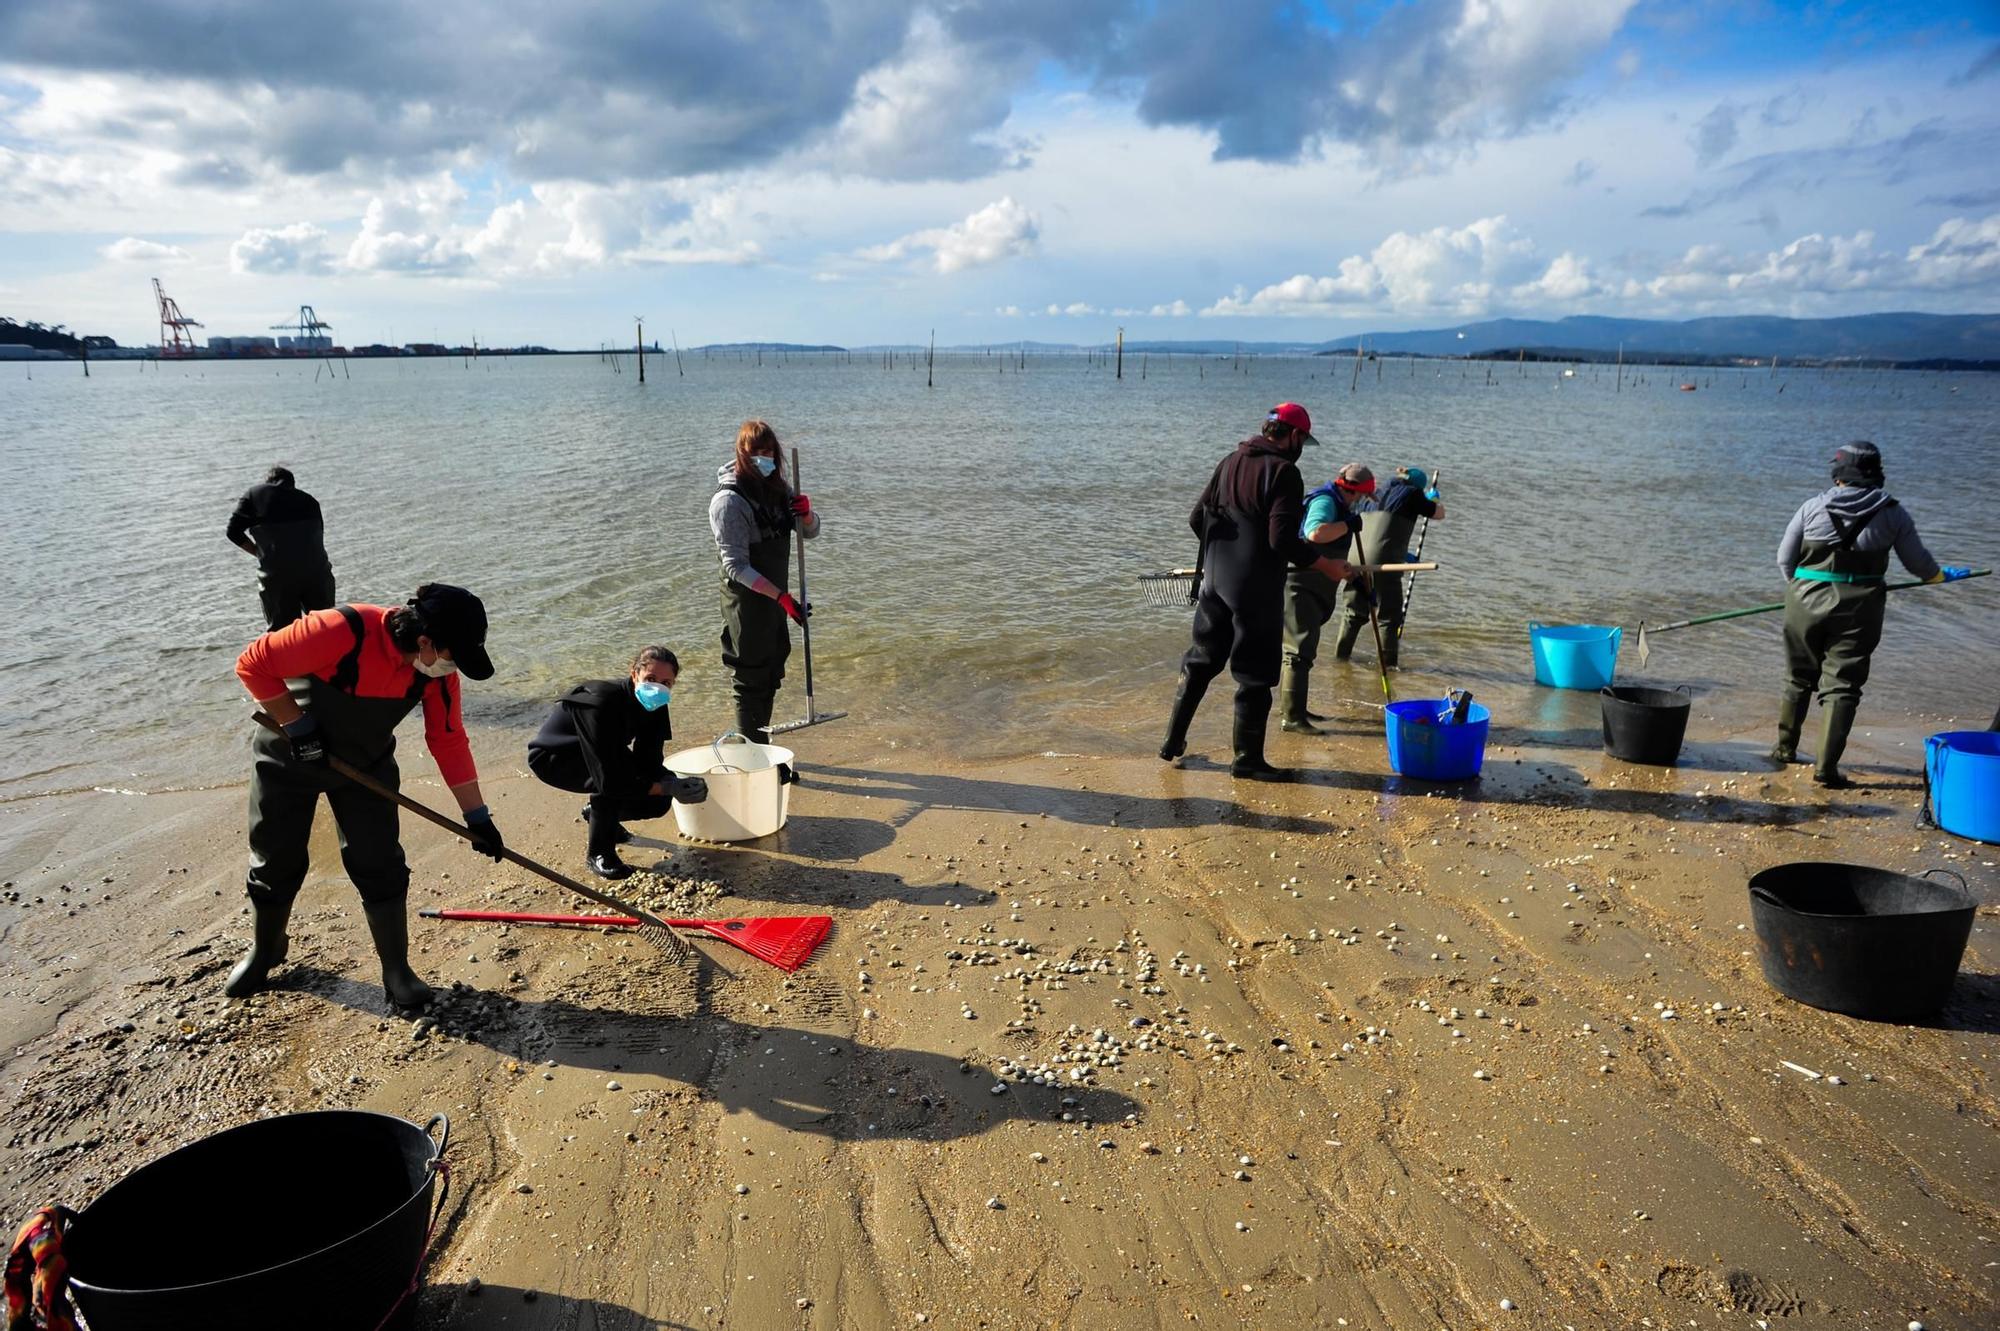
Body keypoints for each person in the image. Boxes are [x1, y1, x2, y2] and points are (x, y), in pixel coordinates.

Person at [228, 583, 504, 1006]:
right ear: (425, 641)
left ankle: (396, 970)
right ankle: (266, 950)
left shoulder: (435, 676)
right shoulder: (340, 629)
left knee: (380, 863)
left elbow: (448, 740)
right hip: (288, 757)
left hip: (365, 767)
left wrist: (478, 817)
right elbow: (252, 663)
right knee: (275, 857)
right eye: (452, 658)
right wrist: (298, 727)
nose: (453, 669)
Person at [1160, 403, 1357, 781]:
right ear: (1294, 436)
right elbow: (1281, 539)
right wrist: (1326, 565)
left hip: (1214, 582)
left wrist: (1223, 556)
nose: (1302, 448)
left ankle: (1172, 742)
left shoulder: (1229, 461)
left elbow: (1196, 519)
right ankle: (1247, 761)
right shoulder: (1284, 472)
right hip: (1253, 588)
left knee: (1201, 660)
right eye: (1303, 440)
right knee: (1254, 676)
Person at [1773, 441, 1965, 788]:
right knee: (1843, 685)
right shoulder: (1893, 513)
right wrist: (1938, 575)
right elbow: (1919, 564)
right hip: (1860, 607)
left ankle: (1785, 750)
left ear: (1838, 473)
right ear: (1876, 473)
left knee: (1797, 677)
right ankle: (1826, 770)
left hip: (1804, 601)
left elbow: (1785, 560)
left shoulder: (1812, 507)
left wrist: (1799, 590)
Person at [528, 645, 710, 880]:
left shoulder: (656, 704)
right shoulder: (601, 700)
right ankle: (599, 854)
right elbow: (609, 777)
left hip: (602, 755)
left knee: (658, 801)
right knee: (613, 786)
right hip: (554, 758)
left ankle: (601, 818)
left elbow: (650, 760)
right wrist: (663, 786)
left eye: (666, 682)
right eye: (650, 678)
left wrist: (675, 784)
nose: (657, 687)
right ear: (634, 674)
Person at [709, 420, 819, 744]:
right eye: (755, 452)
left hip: (774, 598)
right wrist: (782, 598)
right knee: (749, 677)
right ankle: (752, 758)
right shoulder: (728, 502)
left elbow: (809, 533)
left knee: (772, 670)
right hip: (747, 601)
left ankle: (762, 747)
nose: (763, 457)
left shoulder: (778, 489)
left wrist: (808, 515)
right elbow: (736, 566)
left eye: (768, 451)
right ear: (742, 453)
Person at [1279, 463, 1371, 734]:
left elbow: (1329, 555)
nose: (1363, 502)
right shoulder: (1325, 500)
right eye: (1364, 496)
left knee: (1304, 649)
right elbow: (1314, 532)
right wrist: (1347, 525)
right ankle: (1292, 719)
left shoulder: (1340, 503)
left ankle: (1296, 708)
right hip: (1299, 583)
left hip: (1315, 584)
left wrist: (1352, 577)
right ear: (1355, 492)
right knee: (1298, 651)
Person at [1334, 465, 1443, 669]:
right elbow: (1438, 514)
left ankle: (1340, 660)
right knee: (1388, 616)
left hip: (1355, 558)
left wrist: (1402, 554)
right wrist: (1433, 500)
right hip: (1383, 563)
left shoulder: (1375, 493)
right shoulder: (1413, 493)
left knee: (1353, 613)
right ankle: (1389, 666)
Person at [226, 465, 336, 630]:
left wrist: (259, 552)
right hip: (318, 573)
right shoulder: (310, 501)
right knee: (325, 627)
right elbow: (317, 539)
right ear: (292, 485)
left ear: (268, 482)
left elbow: (232, 532)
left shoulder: (254, 495)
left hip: (278, 577)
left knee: (283, 634)